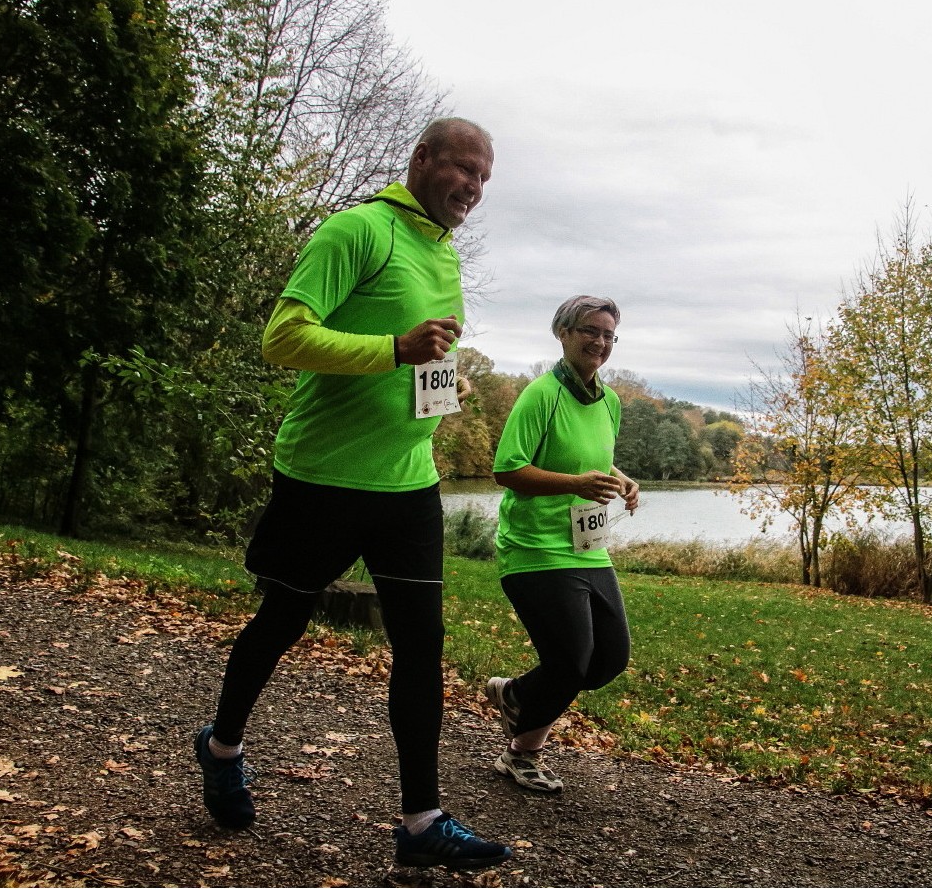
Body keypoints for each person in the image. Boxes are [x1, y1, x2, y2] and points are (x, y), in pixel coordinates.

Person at [192, 118, 511, 871]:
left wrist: (438, 382)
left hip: (409, 483)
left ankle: (421, 821)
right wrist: (392, 351)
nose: (472, 188)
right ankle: (221, 744)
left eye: (484, 179)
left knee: (421, 650)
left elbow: (423, 355)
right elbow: (282, 337)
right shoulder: (357, 230)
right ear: (422, 158)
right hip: (324, 474)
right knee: (282, 618)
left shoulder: (444, 254)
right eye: (463, 169)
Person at [484, 295, 640, 793]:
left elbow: (590, 458)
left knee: (607, 659)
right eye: (590, 331)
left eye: (609, 335)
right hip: (534, 549)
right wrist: (575, 483)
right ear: (564, 333)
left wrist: (622, 479)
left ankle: (514, 695)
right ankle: (522, 752)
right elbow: (507, 470)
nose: (600, 342)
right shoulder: (541, 394)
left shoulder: (609, 401)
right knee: (570, 660)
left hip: (588, 546)